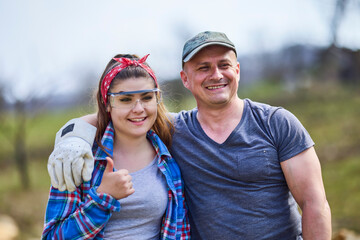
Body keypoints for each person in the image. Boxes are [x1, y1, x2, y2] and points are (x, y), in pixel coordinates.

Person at [47, 32, 332, 239]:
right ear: (185, 79)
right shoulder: (175, 130)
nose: (216, 74)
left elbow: (313, 203)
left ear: (237, 70)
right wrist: (75, 136)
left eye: (223, 64)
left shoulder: (276, 123)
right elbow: (127, 116)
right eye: (203, 68)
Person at [42, 54, 190, 239]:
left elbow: (180, 231)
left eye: (146, 97)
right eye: (125, 99)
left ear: (157, 99)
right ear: (108, 103)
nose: (138, 108)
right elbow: (52, 236)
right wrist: (102, 198)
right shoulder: (81, 159)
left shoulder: (168, 160)